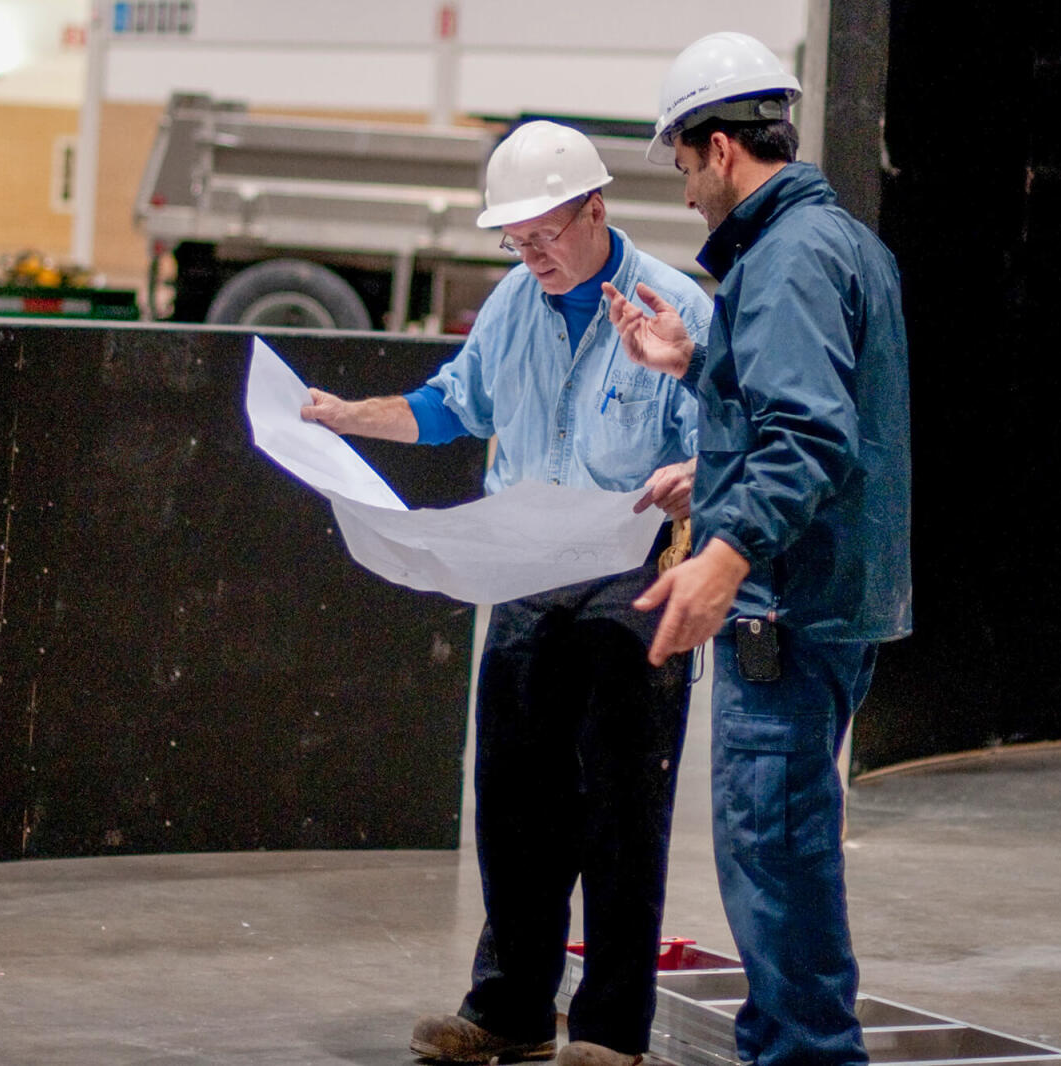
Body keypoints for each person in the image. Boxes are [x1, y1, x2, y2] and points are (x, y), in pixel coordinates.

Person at [301, 121, 713, 1066]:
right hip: (527, 578)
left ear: (596, 210)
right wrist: (346, 419)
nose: (532, 258)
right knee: (514, 805)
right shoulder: (511, 306)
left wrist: (696, 471)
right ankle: (511, 1012)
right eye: (515, 243)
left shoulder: (674, 305)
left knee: (620, 811)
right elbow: (452, 404)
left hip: (630, 579)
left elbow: (725, 426)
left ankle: (611, 1033)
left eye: (546, 237)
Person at [602, 32, 913, 1066]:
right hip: (831, 592)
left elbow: (808, 434)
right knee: (777, 848)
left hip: (786, 604)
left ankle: (807, 1057)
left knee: (772, 854)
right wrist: (695, 369)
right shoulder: (839, 241)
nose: (686, 191)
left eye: (683, 164)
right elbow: (823, 418)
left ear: (723, 149)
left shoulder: (782, 258)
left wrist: (724, 552)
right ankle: (787, 1045)